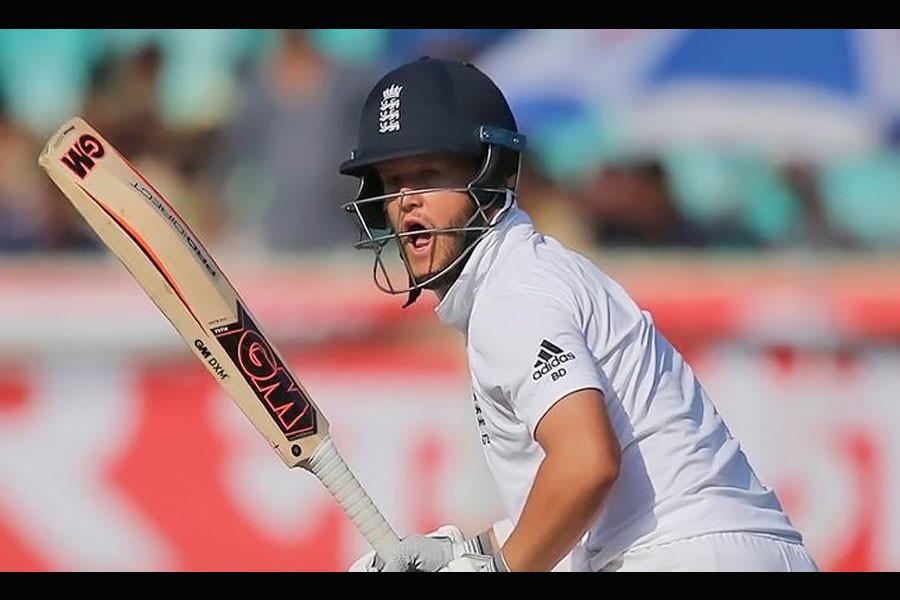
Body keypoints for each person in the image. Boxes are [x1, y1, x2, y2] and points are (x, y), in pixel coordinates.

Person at [338, 56, 820, 572]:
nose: (406, 202)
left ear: (490, 176)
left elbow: (587, 464)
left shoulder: (513, 295)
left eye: (427, 176)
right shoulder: (532, 273)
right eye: (392, 181)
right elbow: (584, 510)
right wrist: (467, 550)